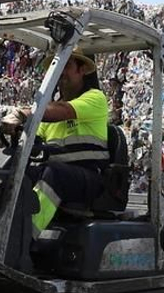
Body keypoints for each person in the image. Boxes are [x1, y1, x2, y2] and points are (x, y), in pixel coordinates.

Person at [13, 52, 110, 231]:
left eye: (66, 67)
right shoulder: (49, 109)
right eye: (58, 68)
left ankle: (24, 234)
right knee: (19, 173)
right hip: (61, 172)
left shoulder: (95, 98)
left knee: (54, 174)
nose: (61, 73)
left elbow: (64, 111)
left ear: (82, 70)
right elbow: (35, 136)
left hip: (88, 177)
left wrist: (24, 113)